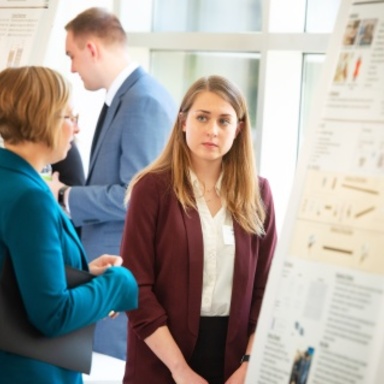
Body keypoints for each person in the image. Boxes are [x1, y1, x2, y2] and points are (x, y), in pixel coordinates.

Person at [121, 75, 278, 384]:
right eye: (202, 117)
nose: (212, 130)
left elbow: (268, 289)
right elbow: (135, 287)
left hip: (234, 363)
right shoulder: (151, 189)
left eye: (224, 120)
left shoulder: (258, 193)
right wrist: (180, 370)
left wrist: (248, 364)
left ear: (239, 129)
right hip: (160, 358)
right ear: (182, 122)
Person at [47, 7, 177, 360]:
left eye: (72, 55)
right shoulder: (126, 97)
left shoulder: (143, 101)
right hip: (106, 269)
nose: (72, 67)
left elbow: (134, 196)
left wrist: (64, 195)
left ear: (92, 49)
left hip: (121, 269)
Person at [0, 66, 138, 384]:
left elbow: (16, 278)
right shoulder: (29, 198)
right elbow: (53, 313)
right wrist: (118, 284)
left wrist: (86, 275)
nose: (75, 129)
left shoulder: (11, 179)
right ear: (43, 117)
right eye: (70, 117)